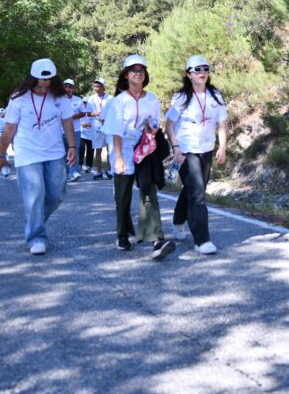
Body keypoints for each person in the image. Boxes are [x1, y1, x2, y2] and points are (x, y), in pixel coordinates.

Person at [0, 58, 77, 256]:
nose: (43, 89)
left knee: (57, 195)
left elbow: (67, 122)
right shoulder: (18, 98)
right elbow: (10, 127)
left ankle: (35, 221)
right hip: (27, 151)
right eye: (40, 85)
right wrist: (1, 154)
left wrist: (72, 146)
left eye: (47, 84)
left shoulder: (60, 98)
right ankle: (36, 237)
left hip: (54, 151)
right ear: (32, 80)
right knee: (34, 194)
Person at [102, 54, 175, 260]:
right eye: (133, 70)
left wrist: (151, 130)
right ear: (126, 75)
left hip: (143, 149)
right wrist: (118, 157)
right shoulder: (119, 101)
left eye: (141, 70)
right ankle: (122, 234)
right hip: (122, 148)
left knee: (148, 191)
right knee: (123, 194)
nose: (138, 73)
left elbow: (154, 124)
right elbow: (115, 131)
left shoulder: (151, 99)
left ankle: (156, 239)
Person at [164, 55, 229, 255]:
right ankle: (201, 240)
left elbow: (221, 124)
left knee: (193, 189)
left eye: (206, 69)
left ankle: (177, 220)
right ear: (189, 74)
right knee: (197, 193)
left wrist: (223, 147)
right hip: (186, 149)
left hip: (206, 149)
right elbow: (169, 125)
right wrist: (175, 147)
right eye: (198, 69)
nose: (202, 73)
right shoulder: (181, 98)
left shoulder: (215, 96)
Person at [84, 77, 112, 179]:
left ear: (103, 87)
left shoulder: (110, 98)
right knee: (98, 149)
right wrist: (95, 113)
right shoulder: (91, 98)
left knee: (110, 149)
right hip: (96, 126)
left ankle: (109, 171)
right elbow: (87, 113)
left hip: (108, 126)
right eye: (95, 86)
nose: (96, 88)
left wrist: (107, 117)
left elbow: (114, 112)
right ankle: (99, 172)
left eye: (98, 86)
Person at [62, 79, 87, 181]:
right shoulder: (58, 99)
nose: (68, 89)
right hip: (61, 131)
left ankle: (73, 172)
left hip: (75, 130)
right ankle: (64, 173)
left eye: (70, 87)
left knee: (74, 150)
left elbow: (83, 113)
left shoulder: (78, 100)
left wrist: (72, 117)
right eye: (66, 86)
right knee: (63, 152)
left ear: (73, 88)